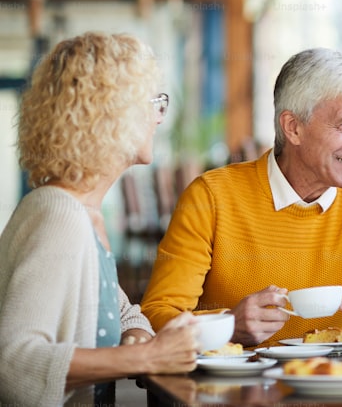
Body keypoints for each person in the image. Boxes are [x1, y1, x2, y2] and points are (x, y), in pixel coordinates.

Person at [141, 48, 342, 346]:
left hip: (332, 388)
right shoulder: (211, 198)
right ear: (293, 127)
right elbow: (155, 318)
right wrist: (229, 324)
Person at [0, 32, 199, 406]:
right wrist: (148, 356)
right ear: (114, 113)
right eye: (154, 102)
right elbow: (13, 364)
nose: (160, 117)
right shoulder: (60, 218)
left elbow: (123, 312)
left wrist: (138, 336)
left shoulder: (83, 212)